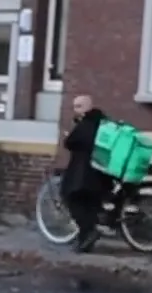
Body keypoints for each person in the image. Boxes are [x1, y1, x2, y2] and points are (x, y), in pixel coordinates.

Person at [59, 95, 112, 253]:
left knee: (71, 197)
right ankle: (85, 241)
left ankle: (90, 232)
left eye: (78, 106)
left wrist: (69, 134)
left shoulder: (86, 124)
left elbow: (69, 143)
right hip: (101, 174)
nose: (75, 110)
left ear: (87, 107)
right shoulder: (102, 122)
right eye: (75, 106)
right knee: (88, 204)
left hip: (85, 174)